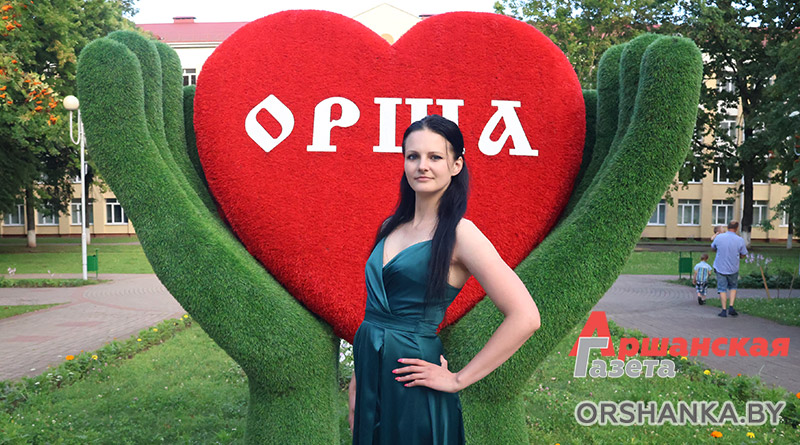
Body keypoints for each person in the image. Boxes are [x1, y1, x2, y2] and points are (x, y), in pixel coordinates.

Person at [348, 115, 541, 444]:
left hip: (413, 381)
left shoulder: (461, 234)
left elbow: (526, 317)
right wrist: (358, 380)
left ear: (456, 165)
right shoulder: (391, 227)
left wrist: (457, 380)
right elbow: (375, 316)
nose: (422, 166)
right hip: (370, 377)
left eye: (435, 157)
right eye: (413, 156)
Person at [711, 220, 748, 318]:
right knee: (733, 287)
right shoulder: (740, 240)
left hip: (720, 267)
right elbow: (743, 254)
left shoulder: (719, 237)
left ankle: (723, 310)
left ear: (727, 227)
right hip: (733, 267)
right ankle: (731, 306)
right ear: (737, 228)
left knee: (722, 288)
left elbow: (713, 247)